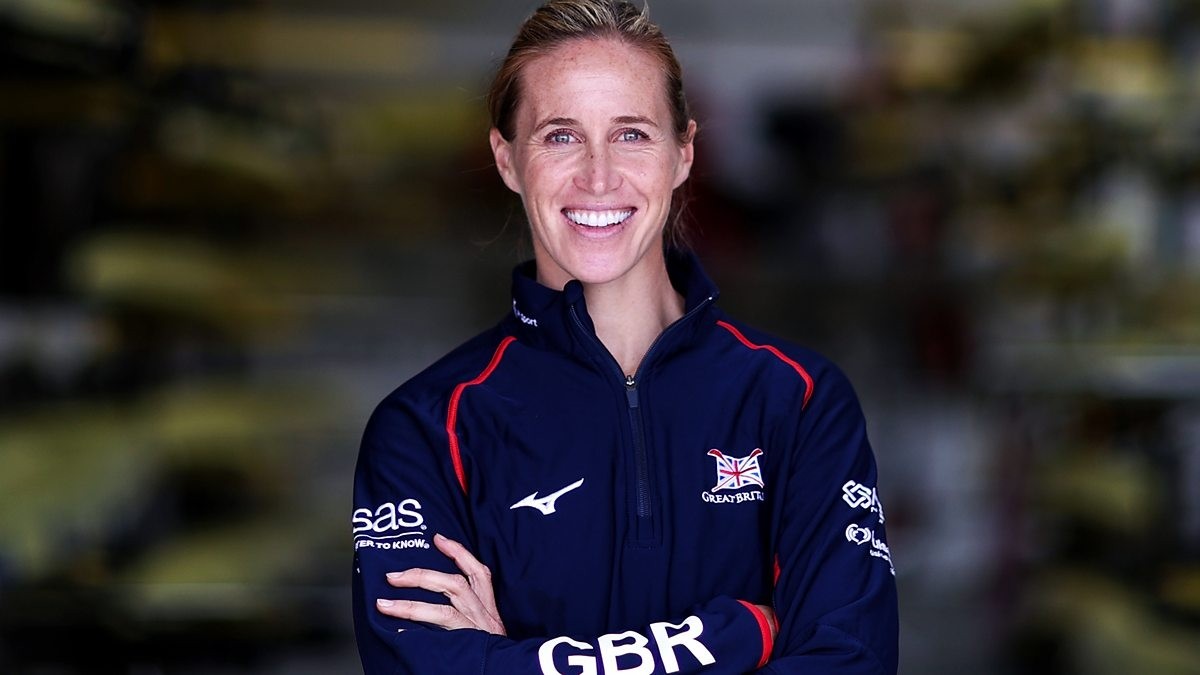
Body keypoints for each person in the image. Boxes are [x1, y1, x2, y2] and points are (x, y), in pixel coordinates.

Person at [351, 1, 899, 672]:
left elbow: (848, 660)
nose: (598, 175)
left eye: (632, 134)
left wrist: (510, 658)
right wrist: (739, 633)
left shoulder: (799, 400)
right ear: (507, 159)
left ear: (683, 153)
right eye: (559, 135)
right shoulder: (426, 430)